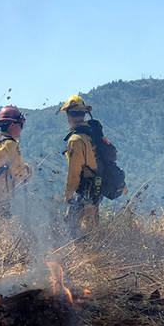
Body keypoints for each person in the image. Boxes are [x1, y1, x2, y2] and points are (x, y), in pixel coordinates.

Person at [60, 95, 101, 237]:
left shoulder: (76, 139)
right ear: (84, 114)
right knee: (93, 230)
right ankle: (96, 256)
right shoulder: (91, 135)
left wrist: (69, 194)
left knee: (71, 229)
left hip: (82, 190)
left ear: (69, 115)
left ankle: (81, 257)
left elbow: (74, 171)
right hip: (95, 189)